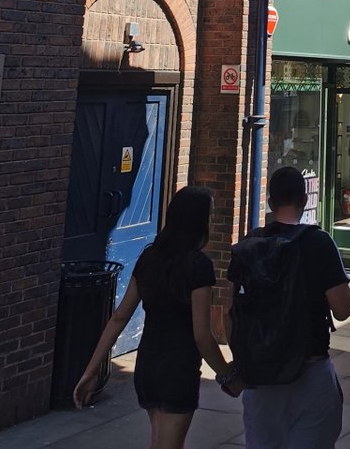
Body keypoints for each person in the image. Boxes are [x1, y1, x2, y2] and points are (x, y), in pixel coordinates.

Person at [74, 186, 237, 448]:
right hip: (178, 370)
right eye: (209, 216)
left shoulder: (149, 257)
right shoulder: (198, 265)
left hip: (148, 366)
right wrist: (227, 375)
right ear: (199, 222)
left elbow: (119, 317)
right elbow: (202, 335)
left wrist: (90, 371)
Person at [228, 165, 350, 449]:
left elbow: (231, 314)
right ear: (305, 200)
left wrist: (239, 363)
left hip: (260, 375)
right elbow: (343, 309)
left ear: (270, 202)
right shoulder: (319, 243)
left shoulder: (250, 244)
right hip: (309, 369)